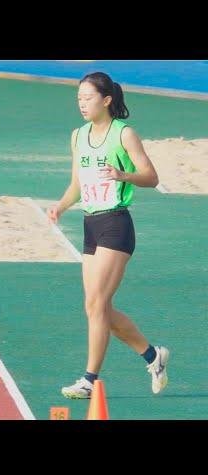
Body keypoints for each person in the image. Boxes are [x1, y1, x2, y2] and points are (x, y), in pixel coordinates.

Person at [47, 72, 169, 399]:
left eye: (88, 98)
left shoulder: (124, 134)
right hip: (91, 224)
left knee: (97, 303)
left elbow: (151, 177)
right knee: (97, 308)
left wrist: (121, 174)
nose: (82, 104)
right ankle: (153, 356)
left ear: (106, 100)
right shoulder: (78, 136)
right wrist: (60, 206)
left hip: (116, 223)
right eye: (78, 99)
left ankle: (89, 380)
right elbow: (77, 183)